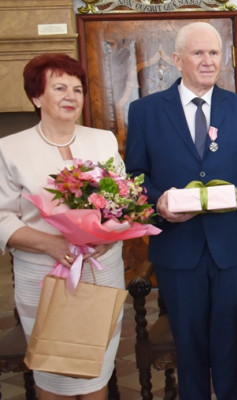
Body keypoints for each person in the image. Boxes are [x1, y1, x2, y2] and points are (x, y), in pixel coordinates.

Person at [125, 22, 237, 399]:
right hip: (178, 251)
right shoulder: (145, 112)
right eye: (198, 53)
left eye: (214, 53)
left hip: (231, 252)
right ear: (177, 60)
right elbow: (134, 179)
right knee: (188, 352)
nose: (208, 61)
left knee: (231, 349)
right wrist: (157, 201)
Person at [0, 53, 123, 399]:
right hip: (43, 277)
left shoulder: (103, 140)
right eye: (59, 88)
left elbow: (123, 201)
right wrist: (51, 244)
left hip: (101, 272)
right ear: (36, 97)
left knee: (97, 369)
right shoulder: (10, 149)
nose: (71, 96)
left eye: (77, 89)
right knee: (54, 372)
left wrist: (109, 236)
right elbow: (2, 217)